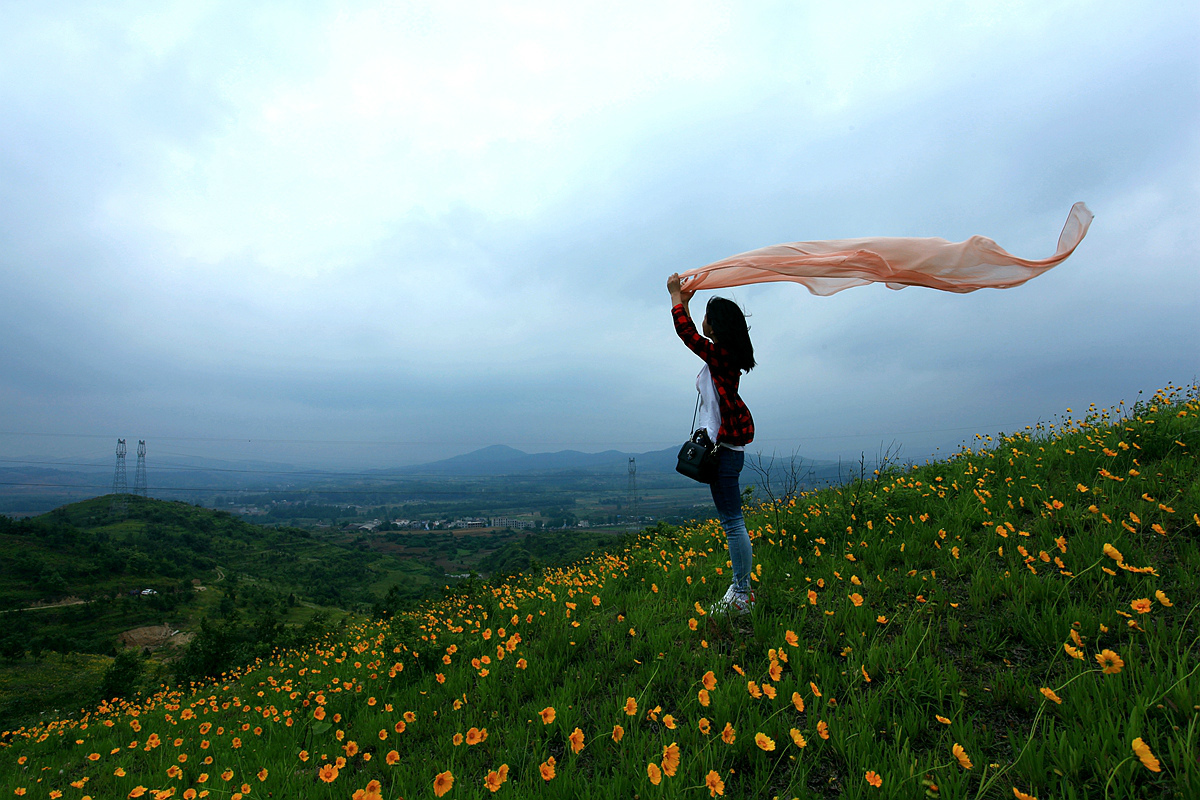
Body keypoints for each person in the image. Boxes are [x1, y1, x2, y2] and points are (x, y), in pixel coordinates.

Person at [667, 273, 756, 615]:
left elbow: (685, 333)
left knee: (733, 524)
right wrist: (684, 302)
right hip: (725, 453)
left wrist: (675, 295)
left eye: (706, 315)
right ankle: (740, 589)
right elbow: (691, 331)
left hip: (725, 456)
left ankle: (742, 593)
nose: (701, 320)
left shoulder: (721, 357)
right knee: (732, 522)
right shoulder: (721, 357)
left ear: (716, 326)